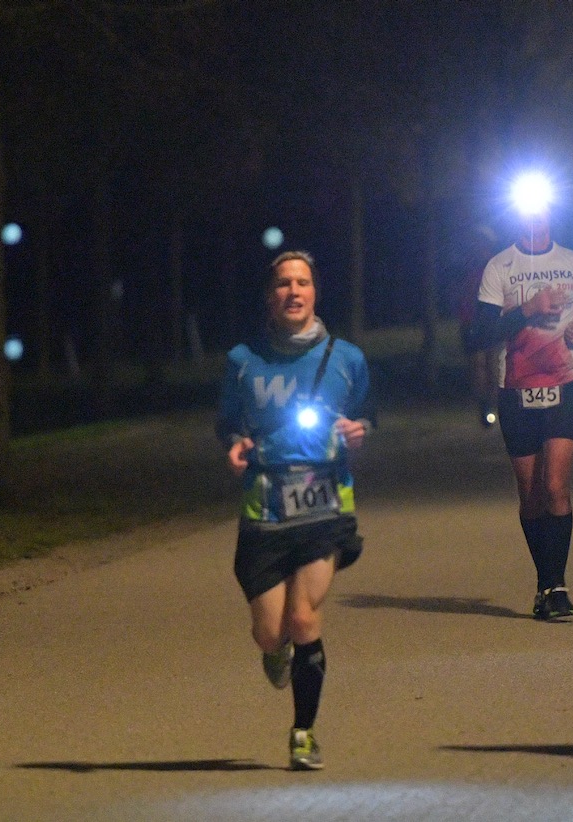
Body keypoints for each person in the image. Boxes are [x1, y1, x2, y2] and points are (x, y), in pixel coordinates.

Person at [214, 250, 374, 770]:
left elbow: (366, 413)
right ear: (270, 295)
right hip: (265, 509)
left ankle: (304, 732)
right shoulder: (243, 360)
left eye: (302, 281)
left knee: (305, 617)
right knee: (271, 631)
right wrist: (235, 444)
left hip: (324, 506)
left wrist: (359, 428)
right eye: (283, 283)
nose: (293, 291)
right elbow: (227, 424)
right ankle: (273, 649)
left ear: (315, 292)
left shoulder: (346, 357)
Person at [471, 203, 573, 621]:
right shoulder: (499, 267)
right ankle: (543, 583)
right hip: (516, 388)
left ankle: (558, 586)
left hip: (564, 384)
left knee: (556, 485)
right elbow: (482, 333)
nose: (534, 220)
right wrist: (527, 310)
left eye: (541, 212)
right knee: (530, 494)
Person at [455, 229, 501, 427]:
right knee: (480, 366)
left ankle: (491, 405)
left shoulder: (493, 266)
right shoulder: (469, 267)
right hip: (473, 322)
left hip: (487, 322)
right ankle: (485, 406)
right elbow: (461, 296)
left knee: (490, 365)